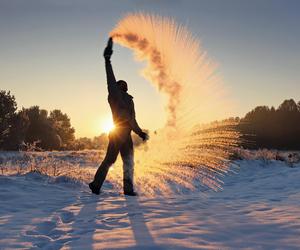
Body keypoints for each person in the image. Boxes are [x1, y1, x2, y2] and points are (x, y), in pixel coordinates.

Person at [89, 37, 148, 196]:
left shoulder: (129, 100)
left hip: (126, 135)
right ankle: (96, 184)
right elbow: (110, 79)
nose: (123, 85)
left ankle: (128, 190)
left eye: (124, 85)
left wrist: (140, 132)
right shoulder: (115, 95)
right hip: (117, 134)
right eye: (121, 84)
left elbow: (132, 120)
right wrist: (107, 60)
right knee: (110, 160)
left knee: (128, 163)